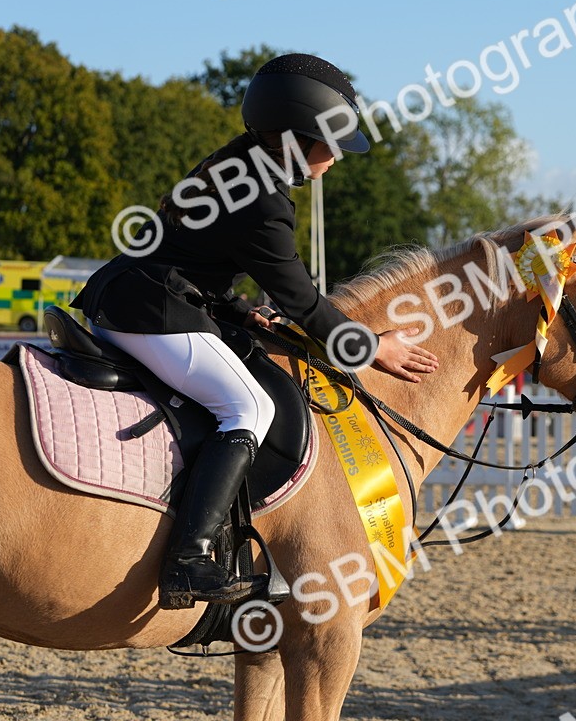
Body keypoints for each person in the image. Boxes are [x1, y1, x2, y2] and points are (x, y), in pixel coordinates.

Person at [72, 53, 439, 609]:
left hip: (131, 294)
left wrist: (241, 313)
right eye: (332, 142)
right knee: (249, 409)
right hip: (151, 312)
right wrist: (369, 347)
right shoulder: (265, 200)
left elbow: (195, 259)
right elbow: (300, 298)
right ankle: (189, 559)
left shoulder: (238, 162)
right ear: (298, 137)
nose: (338, 156)